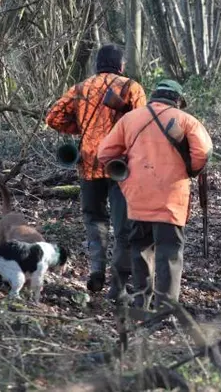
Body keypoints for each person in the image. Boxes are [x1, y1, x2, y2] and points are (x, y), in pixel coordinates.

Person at [97, 80, 212, 309]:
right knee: (168, 253)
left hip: (138, 195)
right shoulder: (187, 120)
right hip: (171, 197)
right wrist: (190, 170)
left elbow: (104, 153)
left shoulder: (129, 119)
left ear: (153, 96)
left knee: (140, 249)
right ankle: (166, 306)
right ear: (178, 100)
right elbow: (203, 153)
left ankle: (141, 301)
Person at [46, 44, 147, 298]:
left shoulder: (80, 88)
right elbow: (143, 126)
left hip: (89, 165)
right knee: (123, 227)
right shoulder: (131, 88)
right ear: (121, 66)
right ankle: (118, 285)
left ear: (96, 65)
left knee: (94, 220)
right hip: (121, 167)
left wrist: (82, 129)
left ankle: (96, 271)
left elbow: (53, 118)